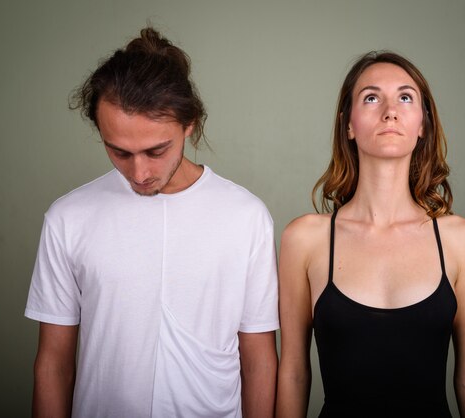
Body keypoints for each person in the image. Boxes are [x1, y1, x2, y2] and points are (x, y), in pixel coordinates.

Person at [25, 27, 279, 418]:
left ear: (189, 124)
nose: (139, 172)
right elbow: (54, 364)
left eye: (156, 150)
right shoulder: (69, 218)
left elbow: (259, 360)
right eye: (119, 151)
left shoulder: (246, 217)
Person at [276, 51, 465, 417]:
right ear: (349, 124)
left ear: (423, 124)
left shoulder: (462, 241)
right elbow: (295, 373)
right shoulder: (304, 240)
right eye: (371, 97)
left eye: (405, 97)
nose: (390, 111)